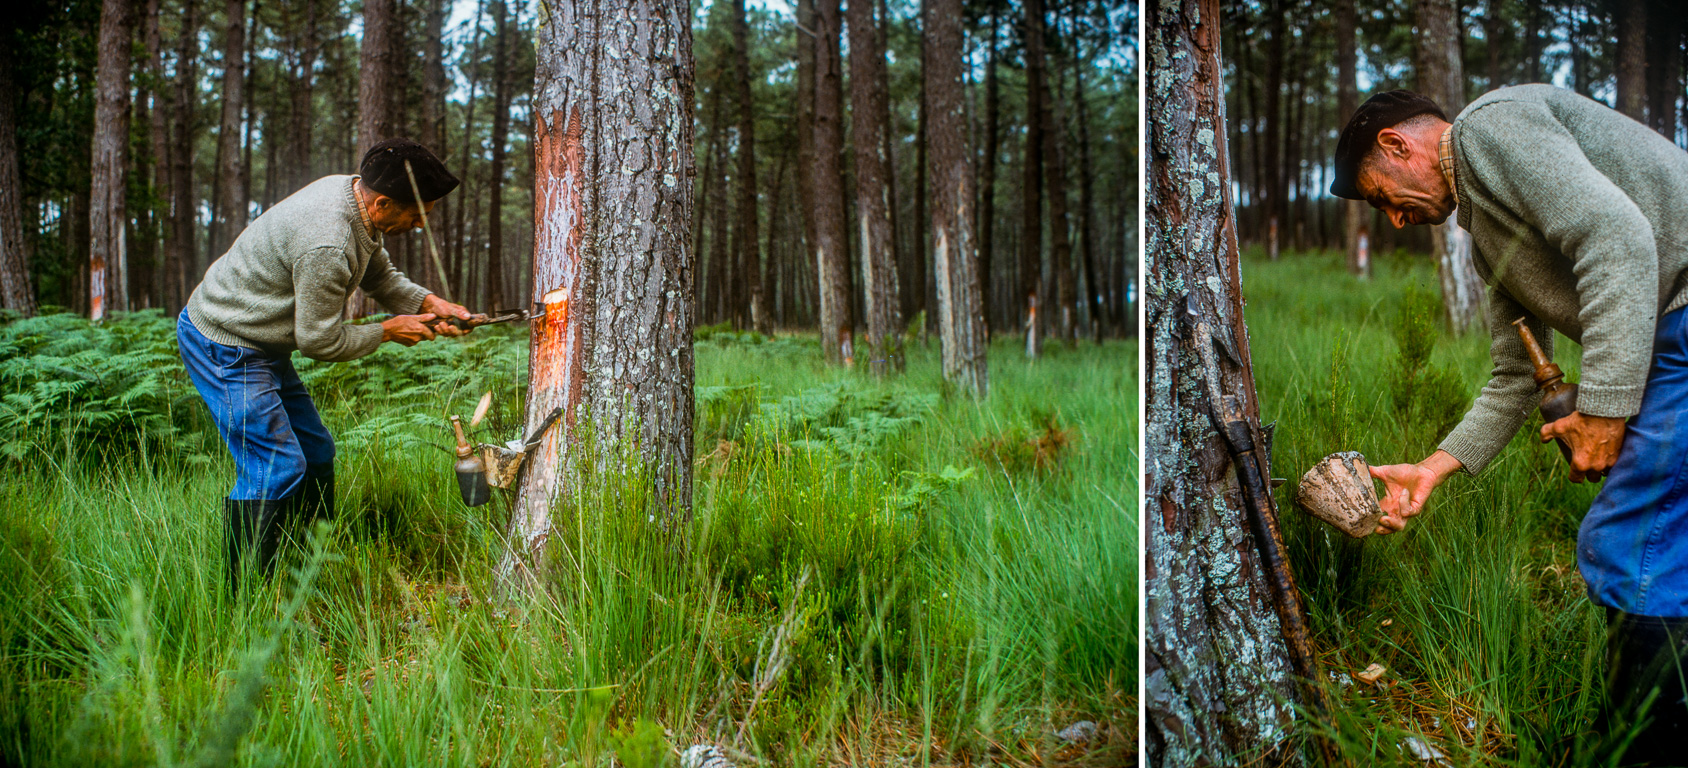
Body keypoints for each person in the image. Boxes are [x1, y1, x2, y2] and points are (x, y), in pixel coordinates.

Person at [1329, 85, 1688, 763]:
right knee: (1666, 546)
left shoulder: (1487, 129)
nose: (1396, 222)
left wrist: (1605, 413)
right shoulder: (1486, 238)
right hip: (1671, 329)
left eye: (1380, 197)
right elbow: (1515, 376)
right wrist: (1433, 468)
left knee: (1635, 545)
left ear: (1397, 145)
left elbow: (1616, 236)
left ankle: (1643, 748)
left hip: (1683, 318)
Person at [178, 138, 476, 593]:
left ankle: (306, 568)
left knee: (315, 456)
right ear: (380, 203)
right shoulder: (328, 242)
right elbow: (318, 341)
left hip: (263, 341)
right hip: (226, 343)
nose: (419, 225)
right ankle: (244, 597)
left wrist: (431, 302)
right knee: (276, 465)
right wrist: (389, 331)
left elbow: (380, 277)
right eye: (417, 215)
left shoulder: (353, 198)